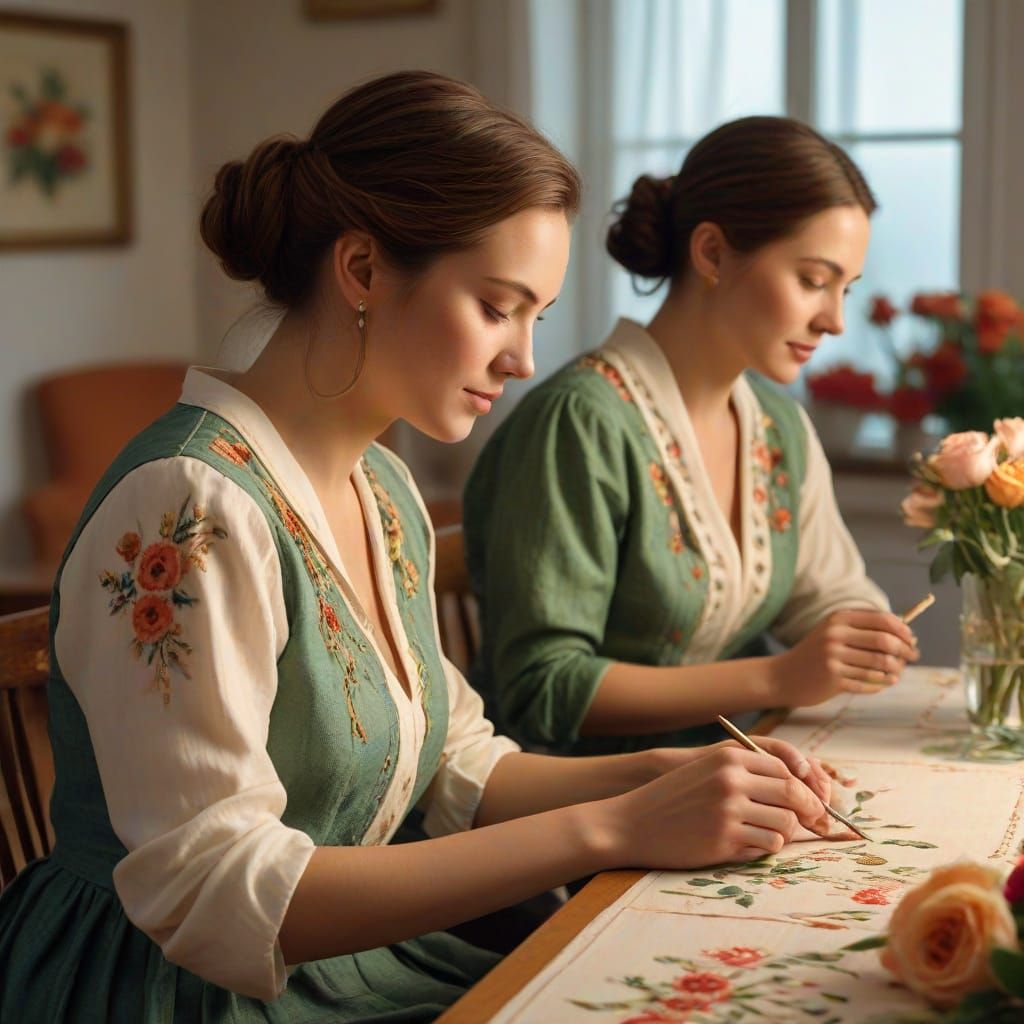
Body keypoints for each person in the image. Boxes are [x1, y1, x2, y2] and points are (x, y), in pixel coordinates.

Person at [0, 78, 836, 1023]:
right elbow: (215, 892)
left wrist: (656, 778)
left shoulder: (383, 489)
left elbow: (452, 762)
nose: (523, 358)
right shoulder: (187, 510)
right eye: (495, 305)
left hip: (337, 962)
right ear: (361, 268)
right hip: (165, 991)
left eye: (537, 317)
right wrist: (611, 826)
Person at [463, 115, 920, 757]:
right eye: (814, 280)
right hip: (582, 812)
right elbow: (542, 686)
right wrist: (781, 675)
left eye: (846, 288)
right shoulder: (579, 423)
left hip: (734, 772)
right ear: (711, 252)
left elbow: (826, 590)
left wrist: (857, 633)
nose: (836, 320)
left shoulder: (777, 422)